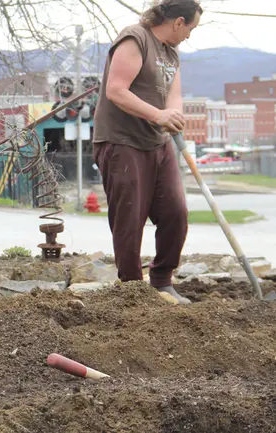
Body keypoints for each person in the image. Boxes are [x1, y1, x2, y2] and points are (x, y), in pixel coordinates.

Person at [92, 0, 203, 304]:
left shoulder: (171, 53)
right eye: (191, 28)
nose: (190, 36)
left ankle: (162, 281)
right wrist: (158, 116)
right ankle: (132, 291)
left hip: (158, 143)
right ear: (178, 22)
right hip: (121, 141)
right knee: (129, 218)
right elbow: (116, 90)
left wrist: (174, 115)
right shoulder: (135, 38)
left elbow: (174, 97)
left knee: (175, 213)